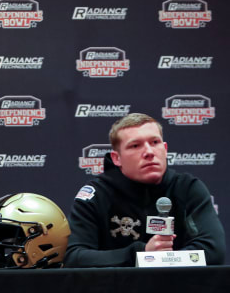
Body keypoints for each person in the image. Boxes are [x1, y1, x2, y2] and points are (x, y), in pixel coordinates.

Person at [65, 113, 225, 267]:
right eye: (135, 145)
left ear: (165, 148)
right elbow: (75, 256)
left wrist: (162, 259)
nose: (149, 152)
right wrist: (141, 254)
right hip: (118, 292)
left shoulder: (187, 188)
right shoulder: (96, 194)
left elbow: (213, 250)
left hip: (179, 290)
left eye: (155, 142)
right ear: (116, 158)